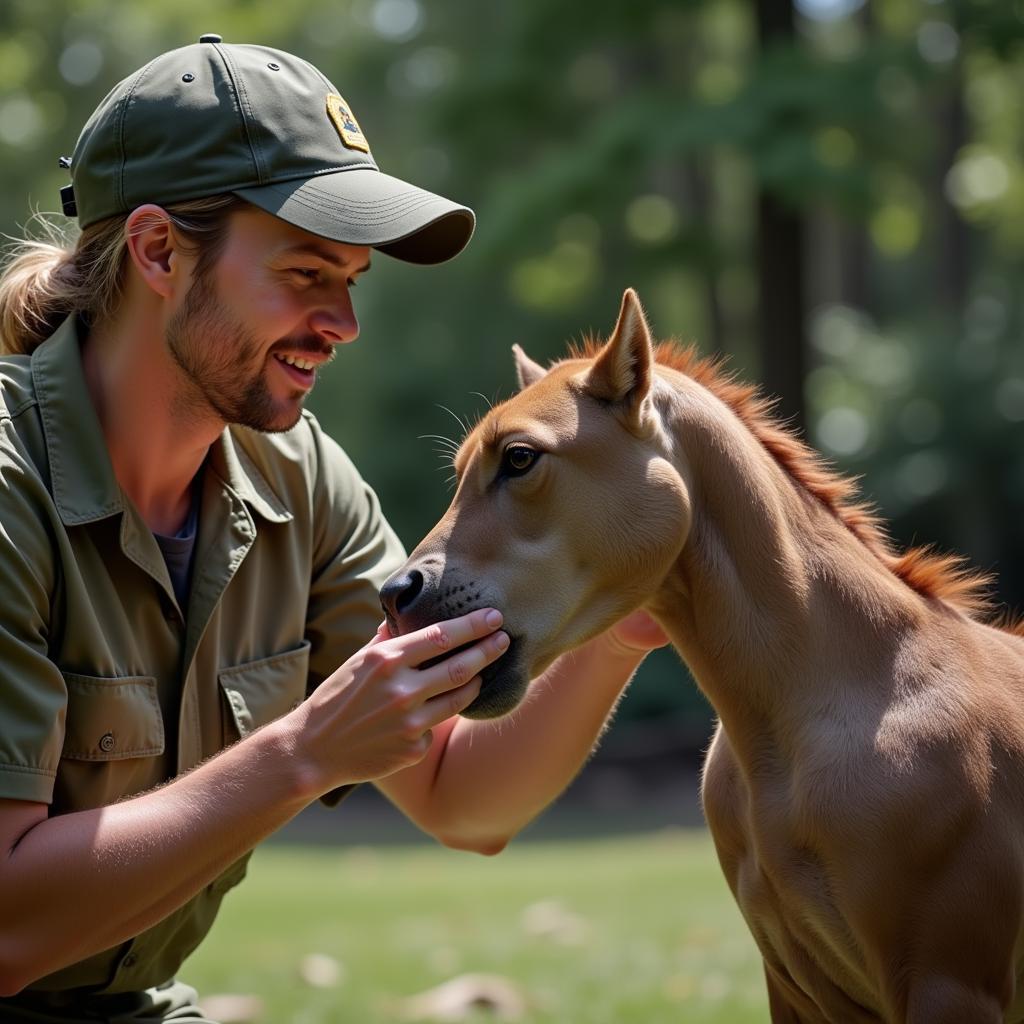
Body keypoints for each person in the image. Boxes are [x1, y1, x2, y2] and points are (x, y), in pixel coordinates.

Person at [0, 36, 668, 1022]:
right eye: (307, 272)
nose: (343, 321)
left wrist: (619, 628)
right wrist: (303, 750)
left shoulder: (300, 479)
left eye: (351, 278)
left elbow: (456, 794)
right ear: (156, 251)